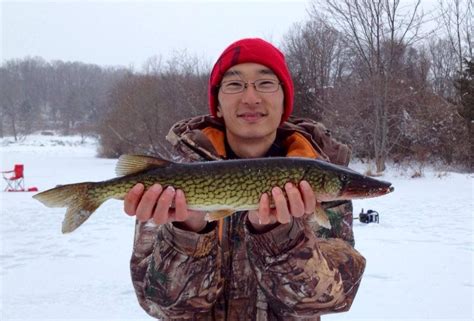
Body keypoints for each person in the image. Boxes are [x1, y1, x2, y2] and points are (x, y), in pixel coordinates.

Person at [124, 38, 366, 321]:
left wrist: (279, 236)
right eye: (235, 84)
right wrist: (187, 232)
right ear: (217, 104)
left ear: (284, 99)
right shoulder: (176, 183)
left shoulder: (319, 176)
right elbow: (162, 305)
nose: (251, 98)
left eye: (265, 83)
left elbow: (330, 298)